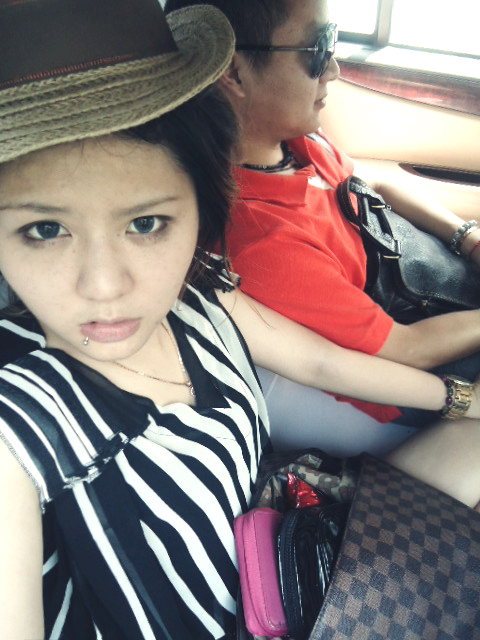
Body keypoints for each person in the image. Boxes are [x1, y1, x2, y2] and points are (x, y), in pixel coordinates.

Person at [1, 2, 480, 640]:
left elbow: (320, 362)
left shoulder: (200, 293)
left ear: (202, 211)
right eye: (44, 230)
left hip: (301, 547)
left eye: (146, 223)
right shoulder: (19, 422)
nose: (105, 288)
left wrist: (460, 400)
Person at [164, 0, 480, 426]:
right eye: (317, 50)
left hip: (439, 302)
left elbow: (375, 185)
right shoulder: (263, 239)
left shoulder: (297, 145)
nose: (333, 69)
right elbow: (408, 349)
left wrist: (468, 238)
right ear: (234, 73)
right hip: (420, 376)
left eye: (332, 42)